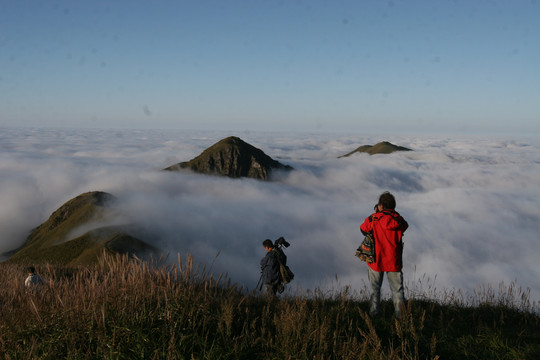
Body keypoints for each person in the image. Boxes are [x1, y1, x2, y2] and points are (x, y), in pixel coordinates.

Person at [360, 191, 408, 318]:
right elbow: (405, 225)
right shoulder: (397, 219)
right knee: (397, 290)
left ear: (380, 205)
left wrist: (376, 213)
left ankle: (374, 314)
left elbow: (363, 229)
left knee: (374, 289)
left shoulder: (374, 218)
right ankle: (401, 316)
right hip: (394, 261)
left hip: (376, 260)